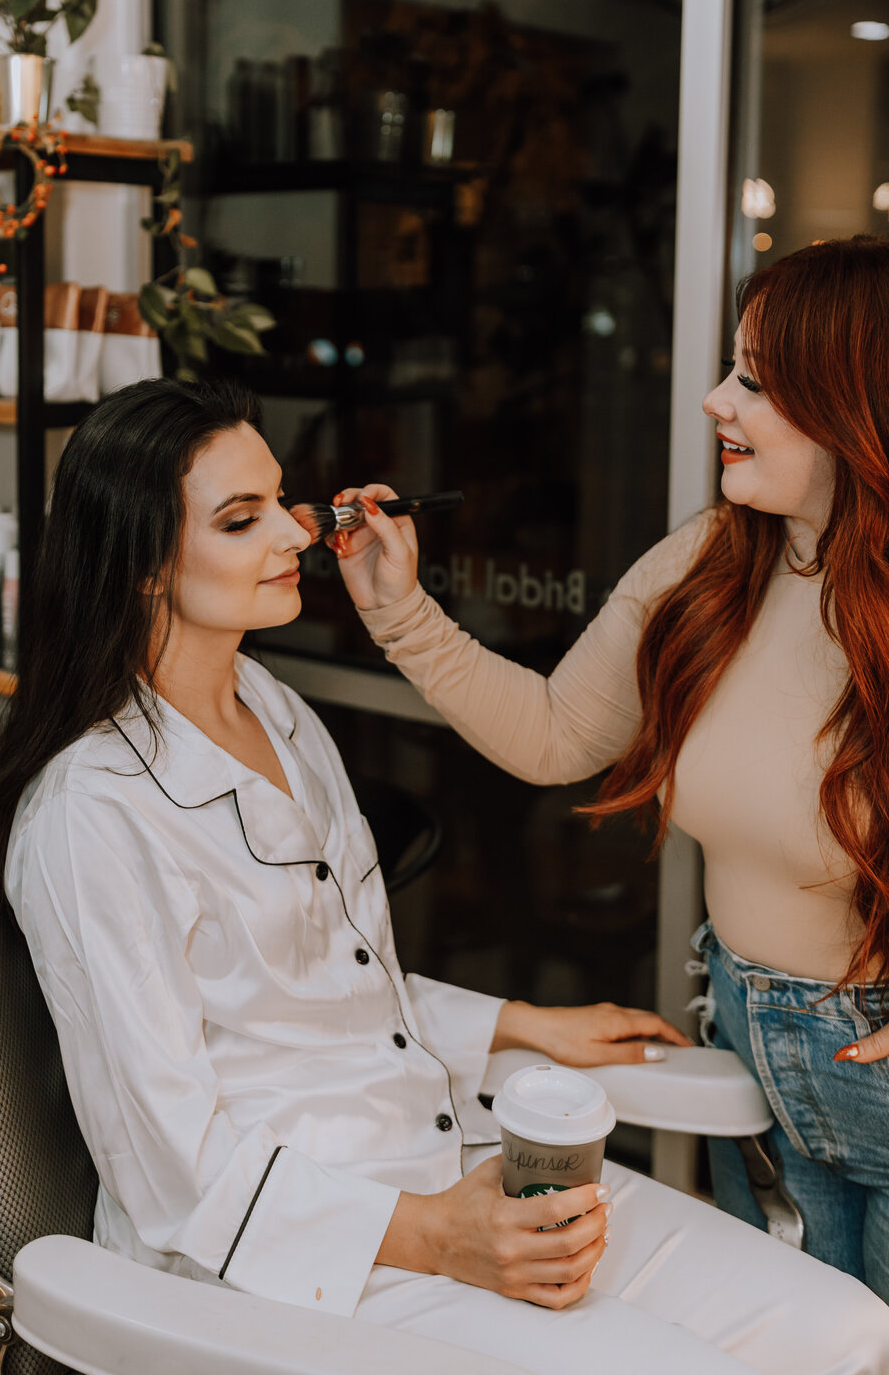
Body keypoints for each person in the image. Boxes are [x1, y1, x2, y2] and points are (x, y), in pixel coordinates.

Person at [0, 375, 888, 1374]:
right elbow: (171, 1172)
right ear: (143, 566)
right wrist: (437, 1235)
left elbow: (336, 992)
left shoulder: (275, 714)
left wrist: (527, 1025)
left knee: (853, 1331)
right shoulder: (93, 813)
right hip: (299, 1256)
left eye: (283, 500)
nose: (293, 533)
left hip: (440, 1160)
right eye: (243, 521)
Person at [334, 234, 889, 1305]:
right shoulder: (710, 563)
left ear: (853, 403)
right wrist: (396, 609)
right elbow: (553, 734)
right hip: (750, 1047)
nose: (716, 402)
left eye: (757, 383)